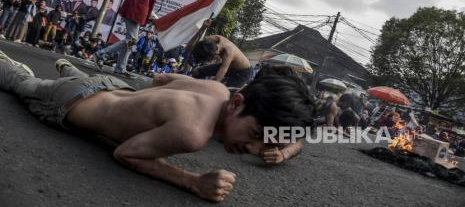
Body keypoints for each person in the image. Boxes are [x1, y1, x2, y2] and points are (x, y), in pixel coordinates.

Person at [0, 51, 314, 202]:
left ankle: (69, 69)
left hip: (111, 86)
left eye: (265, 145)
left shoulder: (217, 90)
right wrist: (192, 181)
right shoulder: (192, 134)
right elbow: (127, 153)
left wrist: (148, 107)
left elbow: (162, 80)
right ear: (237, 103)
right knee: (21, 83)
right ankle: (21, 69)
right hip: (69, 102)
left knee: (82, 80)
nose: (254, 150)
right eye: (256, 136)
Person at [95, 0, 171, 76]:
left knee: (130, 42)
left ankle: (120, 68)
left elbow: (148, 1)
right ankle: (101, 53)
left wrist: (149, 15)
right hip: (133, 10)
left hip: (139, 13)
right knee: (132, 40)